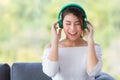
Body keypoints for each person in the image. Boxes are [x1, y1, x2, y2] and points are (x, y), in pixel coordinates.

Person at [42, 3, 114, 80]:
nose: (72, 28)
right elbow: (50, 72)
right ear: (61, 24)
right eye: (68, 23)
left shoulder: (94, 47)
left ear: (84, 25)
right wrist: (55, 41)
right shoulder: (51, 47)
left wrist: (90, 41)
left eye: (77, 23)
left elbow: (93, 72)